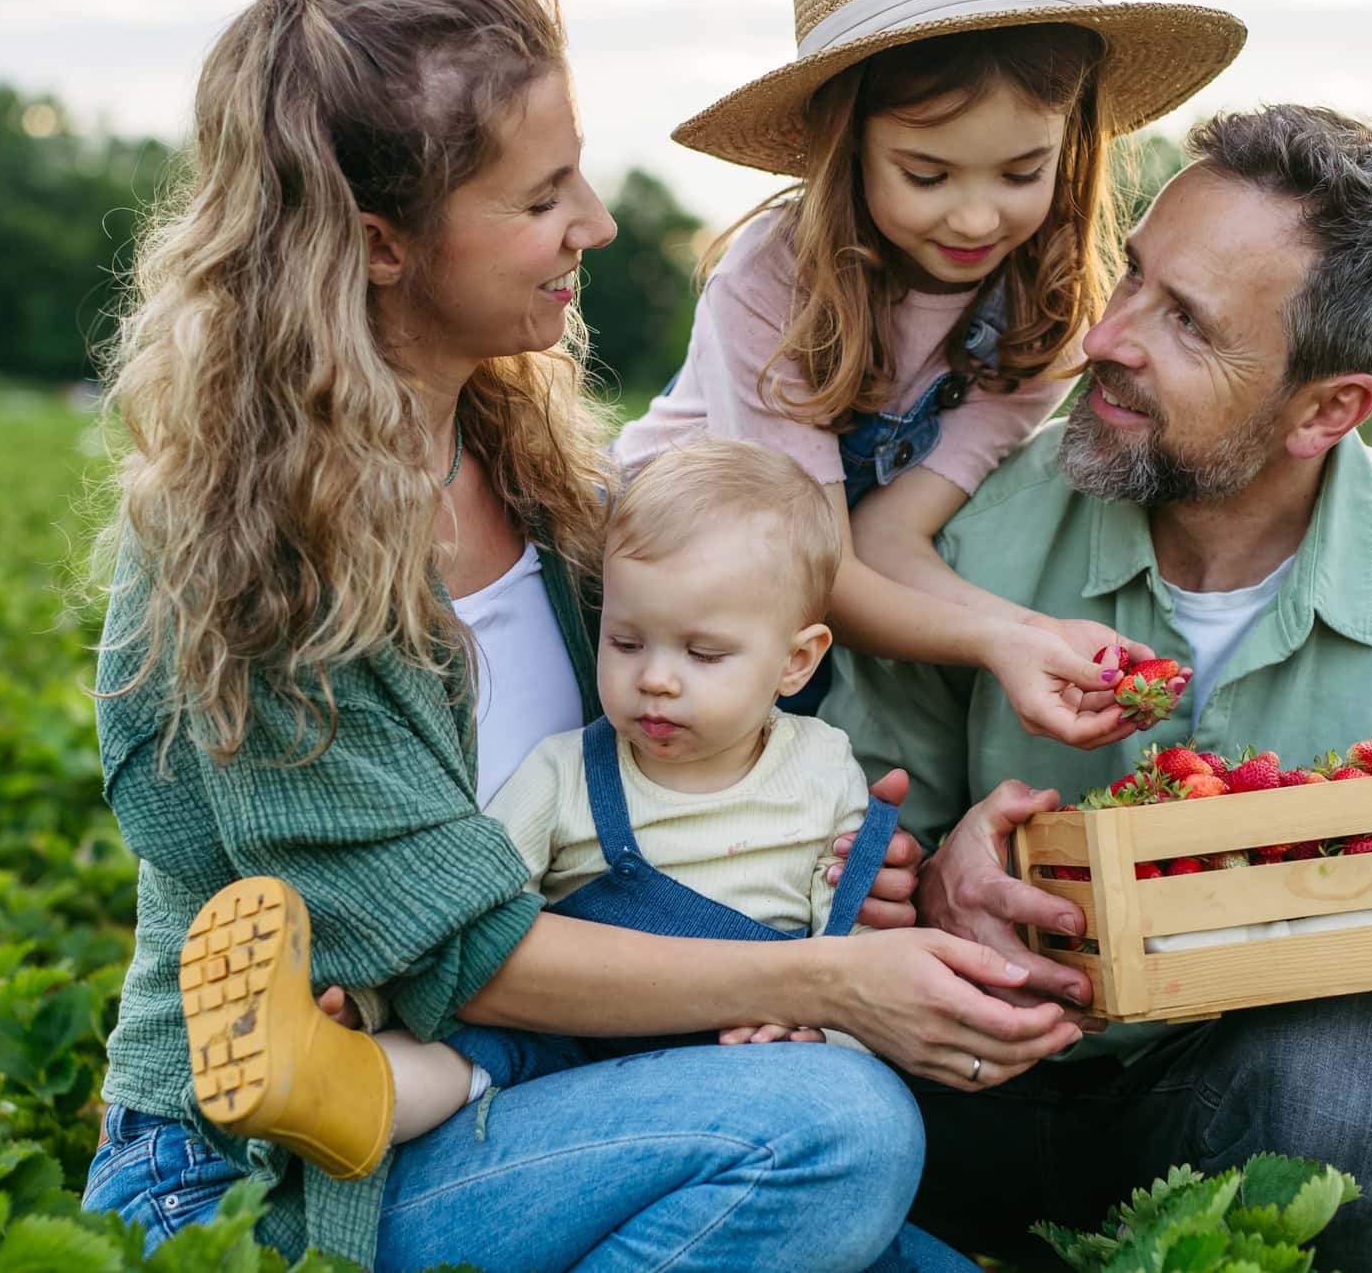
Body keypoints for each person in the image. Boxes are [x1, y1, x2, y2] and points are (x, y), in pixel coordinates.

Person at [79, 0, 1079, 1273]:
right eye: (543, 197)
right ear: (383, 246)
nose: (596, 223)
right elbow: (470, 959)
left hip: (523, 1099)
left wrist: (859, 885)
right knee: (835, 1127)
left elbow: (663, 795)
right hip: (264, 1176)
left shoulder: (540, 476)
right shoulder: (258, 552)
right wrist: (826, 984)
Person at [823, 104, 1372, 1273]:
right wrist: (927, 889)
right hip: (954, 1084)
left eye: (1188, 324)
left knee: (1360, 1082)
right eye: (1132, 279)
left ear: (1328, 409)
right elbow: (830, 859)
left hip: (1228, 1118)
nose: (1107, 338)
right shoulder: (968, 536)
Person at [617, 0, 1241, 742]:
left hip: (804, 633)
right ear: (847, 146)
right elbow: (814, 563)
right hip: (654, 614)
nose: (978, 216)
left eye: (1021, 172)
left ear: (1071, 144)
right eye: (927, 174)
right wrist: (997, 639)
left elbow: (885, 542)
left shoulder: (1048, 313)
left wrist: (1030, 638)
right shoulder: (772, 284)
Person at [255, 437, 909, 1148]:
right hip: (572, 1038)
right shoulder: (564, 771)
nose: (655, 678)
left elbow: (846, 928)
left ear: (796, 661)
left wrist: (821, 1032)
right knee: (460, 1059)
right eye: (626, 643)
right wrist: (370, 1000)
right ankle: (322, 1090)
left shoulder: (822, 767)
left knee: (841, 1104)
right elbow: (466, 915)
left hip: (743, 1045)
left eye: (702, 654)